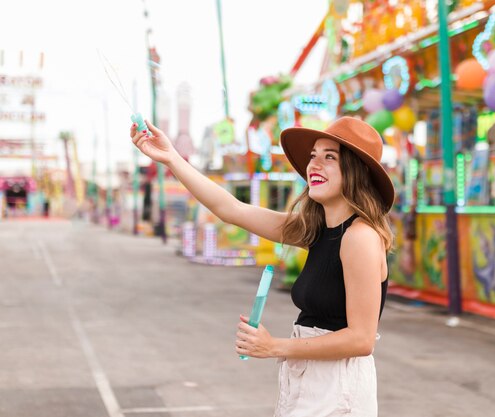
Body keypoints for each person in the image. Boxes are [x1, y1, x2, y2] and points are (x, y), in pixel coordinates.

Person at [130, 116, 394, 416]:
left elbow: (361, 339)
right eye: (313, 156)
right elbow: (231, 209)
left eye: (329, 157)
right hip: (308, 375)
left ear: (356, 172)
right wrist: (171, 158)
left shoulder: (360, 237)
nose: (314, 165)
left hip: (338, 384)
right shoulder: (317, 229)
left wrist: (274, 347)